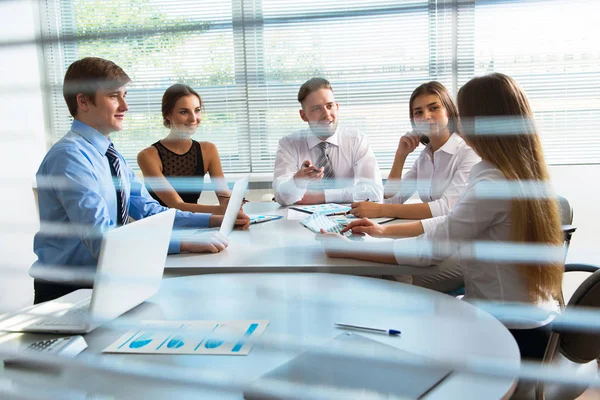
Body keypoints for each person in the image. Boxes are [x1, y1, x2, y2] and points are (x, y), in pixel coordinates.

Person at [318, 73, 564, 360]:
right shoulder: (510, 171)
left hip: (512, 333)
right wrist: (384, 231)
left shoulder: (492, 183)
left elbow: (432, 247)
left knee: (404, 338)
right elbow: (453, 220)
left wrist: (345, 248)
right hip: (526, 319)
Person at [32, 57, 249, 304]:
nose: (125, 106)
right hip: (69, 292)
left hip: (107, 280)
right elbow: (103, 239)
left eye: (125, 95)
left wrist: (215, 220)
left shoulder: (110, 154)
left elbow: (150, 211)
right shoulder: (70, 157)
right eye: (114, 96)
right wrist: (185, 242)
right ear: (83, 101)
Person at [349, 81, 480, 220]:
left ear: (448, 111)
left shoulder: (468, 153)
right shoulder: (424, 158)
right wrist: (400, 156)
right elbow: (392, 199)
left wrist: (381, 209)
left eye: (434, 108)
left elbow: (446, 208)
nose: (426, 116)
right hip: (433, 233)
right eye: (418, 112)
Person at [272, 77, 383, 205]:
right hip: (300, 220)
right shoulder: (288, 144)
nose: (326, 114)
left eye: (329, 106)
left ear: (336, 107)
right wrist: (297, 180)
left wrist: (322, 196)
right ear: (304, 115)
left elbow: (374, 192)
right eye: (317, 109)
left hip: (351, 219)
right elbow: (281, 197)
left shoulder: (356, 141)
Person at [137, 84, 240, 215]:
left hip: (196, 223)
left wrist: (233, 204)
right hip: (161, 227)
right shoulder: (148, 156)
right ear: (168, 114)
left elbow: (224, 196)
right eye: (184, 112)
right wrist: (222, 210)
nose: (193, 118)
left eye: (197, 110)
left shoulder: (208, 150)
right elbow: (176, 205)